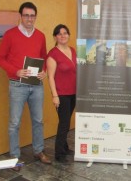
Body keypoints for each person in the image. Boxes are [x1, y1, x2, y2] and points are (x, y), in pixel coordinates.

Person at [0, 2, 51, 170]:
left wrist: (45, 71)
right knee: (14, 123)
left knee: (38, 120)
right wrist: (15, 71)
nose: (29, 19)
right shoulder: (10, 34)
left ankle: (38, 151)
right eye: (26, 15)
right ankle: (14, 157)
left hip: (36, 85)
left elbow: (44, 57)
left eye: (32, 15)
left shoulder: (40, 35)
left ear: (35, 17)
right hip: (17, 85)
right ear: (20, 16)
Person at [46, 24, 76, 163]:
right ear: (55, 37)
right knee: (64, 123)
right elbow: (50, 76)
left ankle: (64, 147)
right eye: (59, 33)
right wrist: (55, 95)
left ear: (68, 35)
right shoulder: (53, 54)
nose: (63, 35)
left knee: (66, 121)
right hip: (61, 94)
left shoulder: (73, 50)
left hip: (73, 93)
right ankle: (59, 153)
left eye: (65, 33)